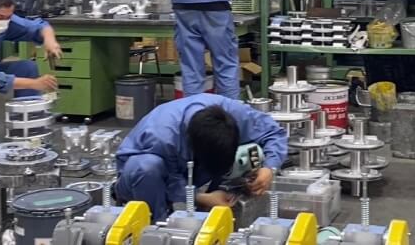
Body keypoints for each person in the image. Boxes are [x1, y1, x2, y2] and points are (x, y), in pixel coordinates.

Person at [115, 94, 287, 221]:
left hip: (194, 165)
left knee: (248, 155)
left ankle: (212, 212)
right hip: (141, 180)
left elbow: (274, 133)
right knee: (147, 167)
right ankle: (156, 225)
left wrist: (269, 168)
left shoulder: (232, 113)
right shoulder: (162, 137)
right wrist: (201, 198)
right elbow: (169, 181)